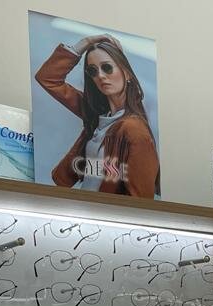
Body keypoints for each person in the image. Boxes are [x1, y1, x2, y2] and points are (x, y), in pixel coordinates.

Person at [35, 33, 160, 197]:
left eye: (107, 68)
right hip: (83, 207)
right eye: (93, 71)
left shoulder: (134, 130)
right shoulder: (98, 114)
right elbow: (48, 78)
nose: (100, 75)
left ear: (127, 73)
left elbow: (141, 200)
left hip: (104, 212)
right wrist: (85, 43)